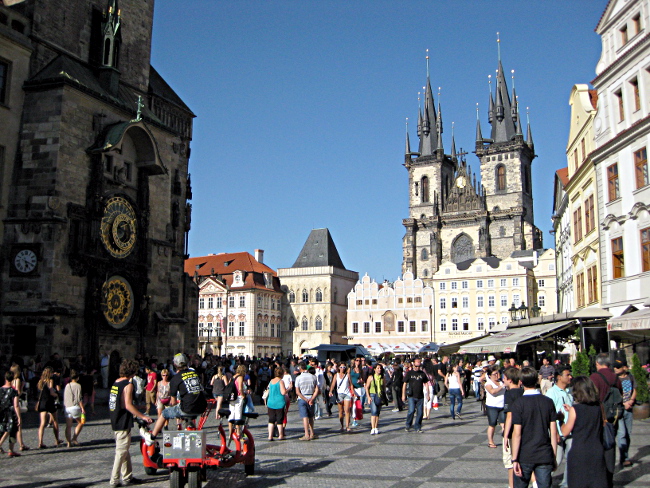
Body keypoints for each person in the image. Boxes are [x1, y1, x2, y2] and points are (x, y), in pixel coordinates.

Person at [144, 353, 208, 446]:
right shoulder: (195, 373)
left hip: (187, 408)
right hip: (202, 406)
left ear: (175, 365)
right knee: (187, 412)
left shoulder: (175, 379)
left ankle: (152, 437)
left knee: (164, 413)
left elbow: (173, 402)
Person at [511, 367, 558, 488]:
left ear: (521, 382)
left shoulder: (518, 403)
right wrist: (553, 456)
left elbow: (517, 434)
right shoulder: (548, 402)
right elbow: (553, 432)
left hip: (524, 455)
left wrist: (514, 459)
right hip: (544, 454)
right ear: (537, 380)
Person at [109, 359, 153, 487]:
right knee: (121, 452)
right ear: (132, 372)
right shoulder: (128, 385)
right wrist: (143, 416)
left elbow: (120, 403)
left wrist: (137, 409)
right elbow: (127, 405)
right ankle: (114, 479)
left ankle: (127, 476)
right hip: (122, 421)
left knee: (124, 450)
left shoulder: (116, 383)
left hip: (115, 418)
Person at [561, 376, 607, 488]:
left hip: (579, 451)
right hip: (596, 450)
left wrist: (561, 420)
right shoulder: (598, 406)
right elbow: (602, 423)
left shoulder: (575, 409)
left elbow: (565, 431)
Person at [590, 353, 622, 488]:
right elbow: (620, 393)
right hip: (612, 417)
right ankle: (609, 477)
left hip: (598, 417)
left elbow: (591, 396)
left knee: (596, 446)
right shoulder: (615, 377)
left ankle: (598, 477)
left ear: (597, 363)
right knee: (609, 444)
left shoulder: (594, 377)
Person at [545, 365, 573, 488]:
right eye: (567, 375)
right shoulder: (551, 393)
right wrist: (555, 432)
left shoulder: (569, 392)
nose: (570, 377)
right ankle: (543, 482)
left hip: (570, 431)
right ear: (559, 377)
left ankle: (566, 484)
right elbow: (548, 415)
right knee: (556, 460)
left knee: (571, 459)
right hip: (557, 432)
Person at [502, 366, 524, 488]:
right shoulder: (523, 392)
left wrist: (505, 435)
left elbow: (509, 415)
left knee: (510, 462)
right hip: (523, 430)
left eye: (504, 378)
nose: (503, 380)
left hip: (512, 432)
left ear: (510, 379)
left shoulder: (509, 394)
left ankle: (512, 486)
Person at [614, 359, 636, 468]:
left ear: (624, 368)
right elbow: (615, 394)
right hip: (620, 409)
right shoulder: (614, 379)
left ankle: (625, 455)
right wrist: (623, 403)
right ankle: (624, 458)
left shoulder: (630, 377)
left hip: (629, 409)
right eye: (614, 367)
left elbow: (635, 389)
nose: (615, 369)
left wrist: (631, 400)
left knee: (628, 433)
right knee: (621, 433)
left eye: (618, 367)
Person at [36, 366, 62, 448]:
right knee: (55, 420)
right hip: (49, 402)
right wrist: (57, 394)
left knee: (42, 423)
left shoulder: (40, 381)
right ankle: (57, 439)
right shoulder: (50, 380)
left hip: (42, 403)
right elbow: (51, 392)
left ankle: (40, 442)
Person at [402, 357, 429, 433]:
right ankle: (408, 424)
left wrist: (427, 394)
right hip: (411, 395)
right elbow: (404, 383)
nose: (417, 368)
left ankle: (417, 426)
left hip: (420, 396)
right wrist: (403, 395)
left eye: (419, 366)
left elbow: (426, 383)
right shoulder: (409, 373)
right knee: (411, 411)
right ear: (413, 364)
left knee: (420, 412)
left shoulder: (422, 373)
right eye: (416, 366)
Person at [0, 371, 22, 457]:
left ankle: (10, 450)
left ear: (5, 378)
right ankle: (10, 450)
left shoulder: (0, 390)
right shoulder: (13, 391)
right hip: (10, 412)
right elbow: (16, 405)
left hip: (1, 412)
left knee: (2, 429)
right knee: (11, 430)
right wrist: (19, 417)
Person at [295, 361, 319, 441]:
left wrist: (305, 399)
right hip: (311, 397)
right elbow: (317, 389)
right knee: (311, 416)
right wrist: (312, 398)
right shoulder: (313, 377)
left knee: (305, 417)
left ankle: (306, 434)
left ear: (300, 368)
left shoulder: (298, 378)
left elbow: (297, 391)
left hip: (302, 398)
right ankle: (312, 433)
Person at [63, 370, 85, 447]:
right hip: (75, 407)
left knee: (68, 426)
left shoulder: (67, 385)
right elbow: (79, 399)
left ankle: (68, 442)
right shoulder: (78, 386)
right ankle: (74, 438)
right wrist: (82, 408)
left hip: (67, 407)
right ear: (77, 378)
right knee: (81, 422)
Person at [9, 364, 29, 451]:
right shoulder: (17, 380)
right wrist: (22, 387)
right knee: (18, 425)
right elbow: (18, 392)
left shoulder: (10, 380)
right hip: (16, 403)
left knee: (11, 427)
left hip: (9, 403)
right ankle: (21, 444)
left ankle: (20, 444)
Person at [485, 365, 505, 448]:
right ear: (489, 375)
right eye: (494, 374)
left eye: (498, 373)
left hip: (502, 405)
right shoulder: (488, 383)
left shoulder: (501, 382)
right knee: (492, 424)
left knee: (504, 424)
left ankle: (505, 440)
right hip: (492, 406)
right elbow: (493, 391)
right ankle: (490, 441)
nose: (497, 375)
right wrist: (501, 387)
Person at [330, 362, 354, 432]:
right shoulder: (336, 375)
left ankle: (347, 426)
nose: (342, 369)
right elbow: (333, 384)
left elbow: (351, 384)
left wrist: (353, 392)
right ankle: (342, 425)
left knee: (347, 410)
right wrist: (330, 391)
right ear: (338, 368)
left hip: (347, 393)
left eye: (344, 367)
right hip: (339, 394)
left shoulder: (347, 375)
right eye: (341, 367)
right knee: (341, 411)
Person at [266, 367, 287, 441]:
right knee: (279, 420)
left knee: (271, 419)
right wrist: (289, 388)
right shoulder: (281, 381)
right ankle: (280, 435)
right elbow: (283, 392)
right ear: (281, 374)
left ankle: (270, 436)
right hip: (279, 403)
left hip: (270, 402)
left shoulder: (271, 381)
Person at [365, 363, 386, 435]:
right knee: (373, 411)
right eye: (378, 368)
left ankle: (376, 427)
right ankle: (372, 428)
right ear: (374, 369)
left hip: (379, 396)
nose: (379, 370)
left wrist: (384, 396)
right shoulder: (371, 377)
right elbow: (367, 387)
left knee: (377, 412)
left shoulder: (382, 377)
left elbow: (384, 387)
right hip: (372, 395)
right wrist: (368, 397)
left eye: (380, 368)